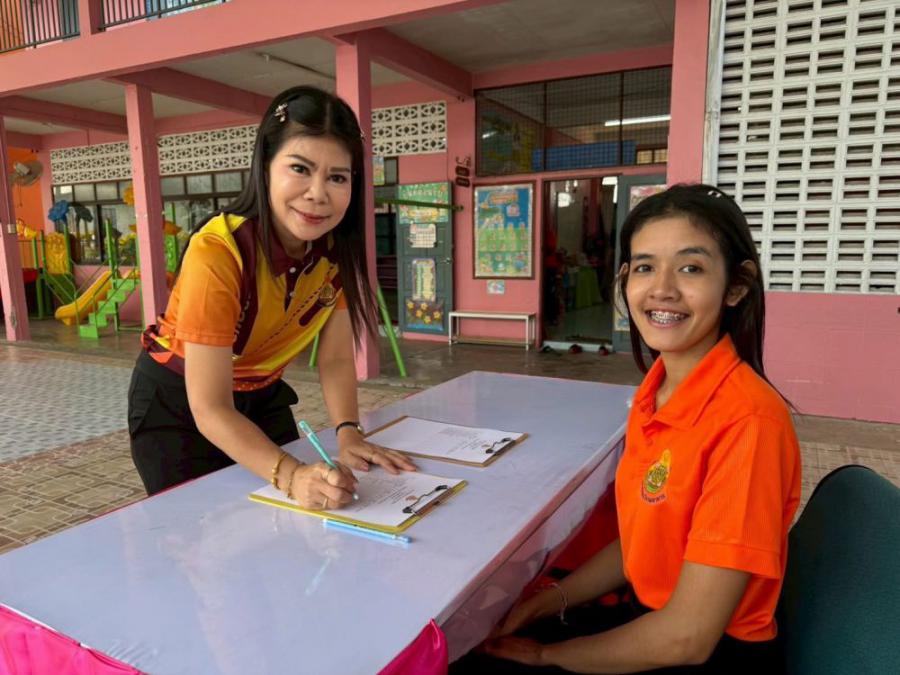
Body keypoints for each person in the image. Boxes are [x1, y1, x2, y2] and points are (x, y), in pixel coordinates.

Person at [454, 184, 800, 673]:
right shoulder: (655, 392)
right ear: (624, 280)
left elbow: (687, 638)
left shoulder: (748, 422)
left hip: (707, 653)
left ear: (736, 286)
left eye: (691, 268)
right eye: (644, 267)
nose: (662, 289)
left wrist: (550, 655)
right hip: (650, 616)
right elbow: (643, 544)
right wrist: (544, 602)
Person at [127, 86, 415, 509]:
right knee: (196, 532)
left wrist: (349, 432)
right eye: (300, 168)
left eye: (337, 177)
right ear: (264, 166)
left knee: (285, 522)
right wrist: (292, 475)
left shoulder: (335, 254)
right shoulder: (219, 251)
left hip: (261, 395)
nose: (318, 193)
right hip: (179, 406)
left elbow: (336, 358)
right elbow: (209, 406)